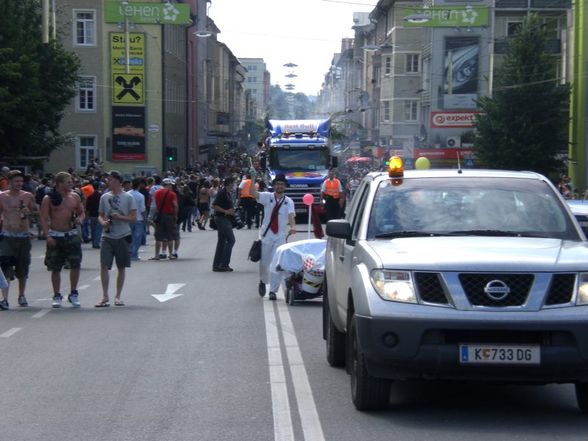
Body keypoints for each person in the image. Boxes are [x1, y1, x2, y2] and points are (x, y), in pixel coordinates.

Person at [39, 171, 85, 308]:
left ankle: (73, 293)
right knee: (55, 267)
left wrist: (80, 219)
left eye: (71, 181)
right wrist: (48, 235)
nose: (71, 184)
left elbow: (82, 212)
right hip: (56, 235)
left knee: (75, 264)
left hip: (71, 234)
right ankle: (57, 294)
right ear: (59, 183)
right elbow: (43, 217)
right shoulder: (49, 198)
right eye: (68, 182)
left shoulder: (75, 196)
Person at [250, 173, 296, 300]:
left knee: (277, 263)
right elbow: (252, 193)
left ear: (285, 186)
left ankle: (273, 291)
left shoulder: (288, 201)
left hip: (280, 236)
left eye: (282, 184)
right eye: (277, 184)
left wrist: (293, 226)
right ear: (274, 185)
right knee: (264, 263)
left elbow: (291, 215)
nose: (279, 186)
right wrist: (253, 178)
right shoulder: (267, 197)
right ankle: (263, 281)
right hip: (267, 235)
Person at [95, 170, 137, 307]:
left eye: (111, 180)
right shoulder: (104, 197)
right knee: (104, 265)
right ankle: (104, 296)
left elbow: (133, 218)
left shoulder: (128, 197)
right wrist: (102, 222)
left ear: (119, 181)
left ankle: (118, 296)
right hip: (107, 234)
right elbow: (100, 215)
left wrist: (120, 218)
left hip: (123, 234)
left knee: (121, 266)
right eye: (108, 180)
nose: (109, 182)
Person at [0, 170, 36, 309]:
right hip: (7, 234)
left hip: (23, 234)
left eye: (21, 181)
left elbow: (35, 212)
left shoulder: (27, 196)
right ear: (9, 182)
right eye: (16, 181)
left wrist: (28, 212)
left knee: (23, 267)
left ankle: (21, 295)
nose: (19, 184)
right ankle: (4, 298)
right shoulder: (2, 196)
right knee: (6, 267)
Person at [211, 177, 236, 272]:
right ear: (229, 183)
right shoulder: (222, 193)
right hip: (222, 219)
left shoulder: (228, 193)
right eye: (233, 183)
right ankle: (224, 264)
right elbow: (214, 205)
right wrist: (225, 211)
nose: (234, 185)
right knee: (231, 240)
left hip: (225, 219)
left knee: (221, 242)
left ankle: (217, 265)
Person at [150, 178, 178, 260]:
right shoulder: (172, 194)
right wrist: (175, 215)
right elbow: (175, 206)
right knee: (170, 236)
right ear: (168, 185)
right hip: (169, 216)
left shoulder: (156, 193)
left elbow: (154, 205)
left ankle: (157, 255)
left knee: (158, 236)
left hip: (159, 215)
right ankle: (170, 254)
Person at [128, 177, 146, 260]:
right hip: (139, 219)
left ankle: (129, 252)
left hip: (128, 218)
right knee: (137, 238)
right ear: (139, 186)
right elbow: (142, 209)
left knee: (129, 237)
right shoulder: (141, 196)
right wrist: (145, 218)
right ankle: (134, 254)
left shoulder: (127, 194)